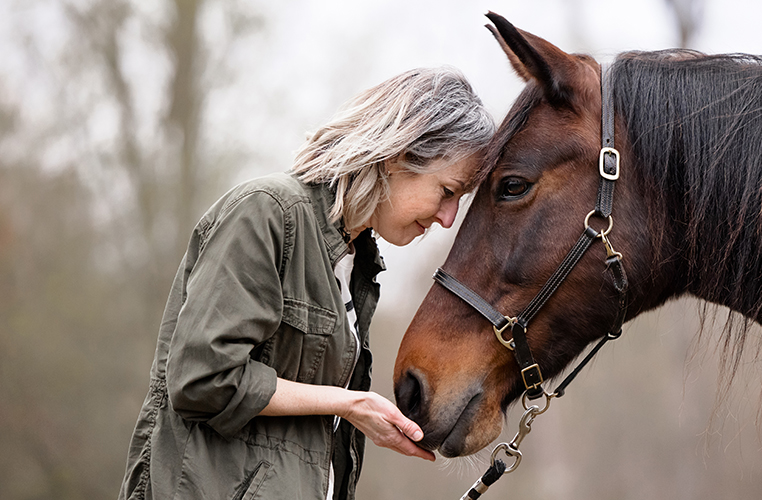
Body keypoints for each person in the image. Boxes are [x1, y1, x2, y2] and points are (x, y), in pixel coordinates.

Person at [117, 67, 495, 500]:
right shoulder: (267, 212)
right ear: (399, 156)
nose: (447, 218)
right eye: (447, 191)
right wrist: (348, 403)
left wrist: (354, 412)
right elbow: (202, 378)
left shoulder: (358, 264)